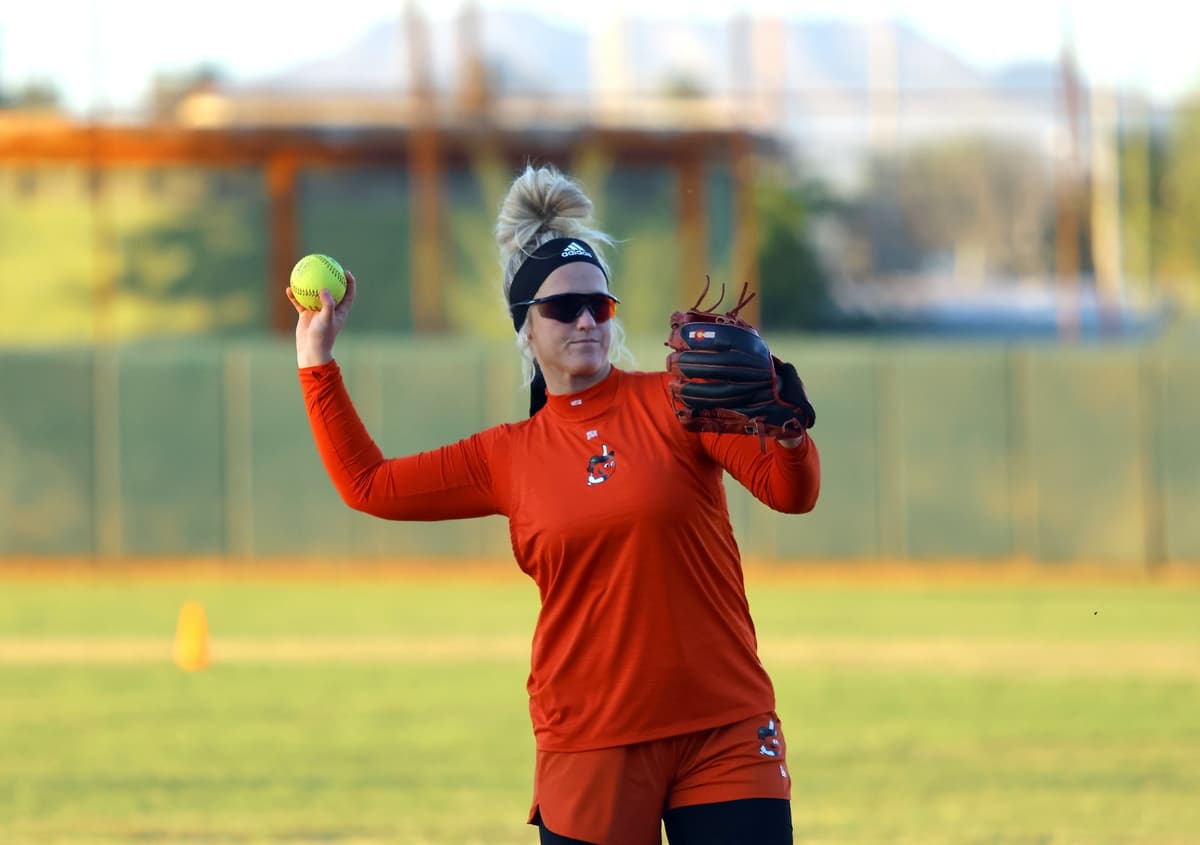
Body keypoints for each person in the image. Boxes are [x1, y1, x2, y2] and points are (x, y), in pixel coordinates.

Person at [288, 164, 820, 845]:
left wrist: (788, 430)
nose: (585, 319)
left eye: (600, 304)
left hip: (725, 726)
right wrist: (316, 358)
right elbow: (369, 485)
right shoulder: (508, 454)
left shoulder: (677, 400)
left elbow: (790, 493)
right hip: (592, 739)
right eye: (562, 308)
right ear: (526, 330)